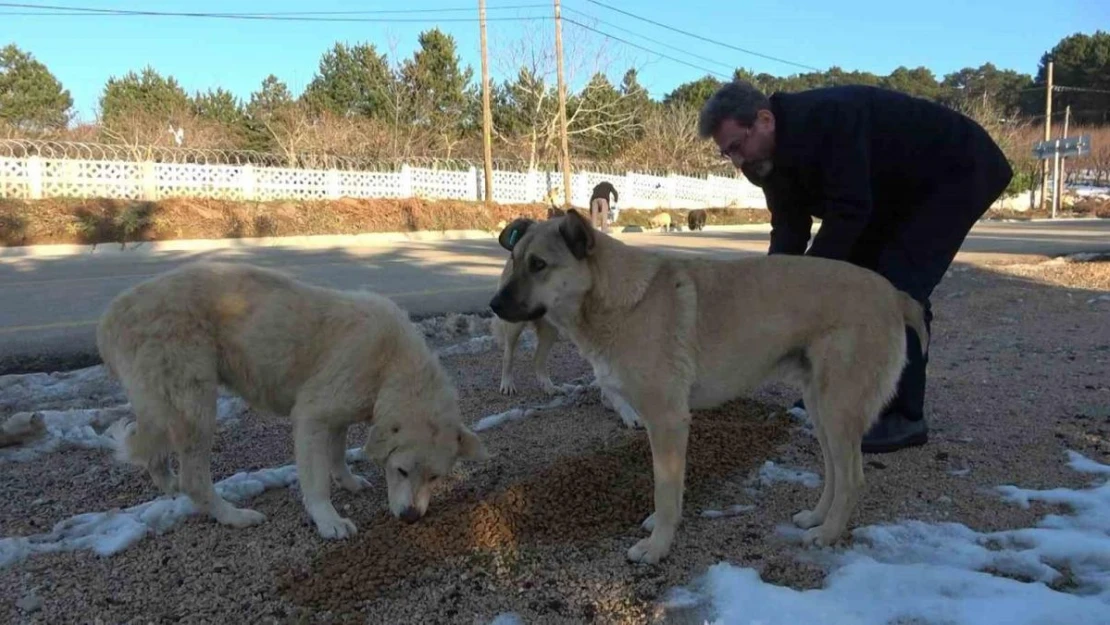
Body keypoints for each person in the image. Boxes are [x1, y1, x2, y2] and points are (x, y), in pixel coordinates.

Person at [697, 80, 1013, 453]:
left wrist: (809, 288)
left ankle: (902, 415)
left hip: (954, 172)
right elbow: (789, 226)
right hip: (886, 195)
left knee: (892, 285)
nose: (736, 161)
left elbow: (849, 211)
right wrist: (773, 286)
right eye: (726, 154)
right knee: (851, 283)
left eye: (737, 146)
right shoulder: (762, 160)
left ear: (764, 120)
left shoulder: (829, 118)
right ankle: (842, 392)